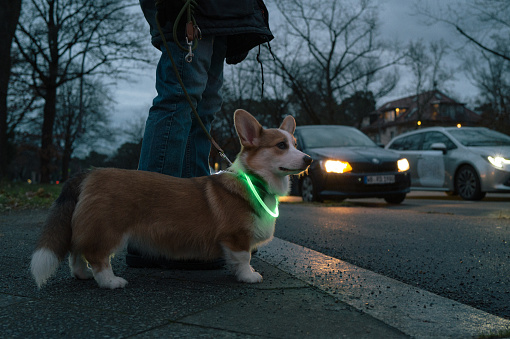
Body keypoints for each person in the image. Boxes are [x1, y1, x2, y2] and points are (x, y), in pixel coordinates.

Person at [126, 0, 274, 268]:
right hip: (191, 9)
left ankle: (189, 232)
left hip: (219, 14)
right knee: (178, 102)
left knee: (204, 109)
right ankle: (147, 231)